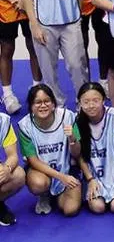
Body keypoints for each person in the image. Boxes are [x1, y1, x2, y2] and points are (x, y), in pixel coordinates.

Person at [17, 84, 79, 216]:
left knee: (70, 209)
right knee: (38, 183)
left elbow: (77, 153)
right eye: (37, 102)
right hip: (41, 171)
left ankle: (61, 195)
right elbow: (32, 160)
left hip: (68, 169)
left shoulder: (68, 117)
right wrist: (61, 177)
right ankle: (44, 195)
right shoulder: (25, 126)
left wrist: (72, 139)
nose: (43, 105)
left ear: (53, 104)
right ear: (31, 106)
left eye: (47, 101)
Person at [73, 81, 114, 215]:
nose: (91, 105)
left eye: (96, 100)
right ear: (80, 103)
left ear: (104, 100)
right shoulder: (77, 122)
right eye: (86, 102)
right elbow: (79, 156)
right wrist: (90, 179)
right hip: (93, 170)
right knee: (97, 208)